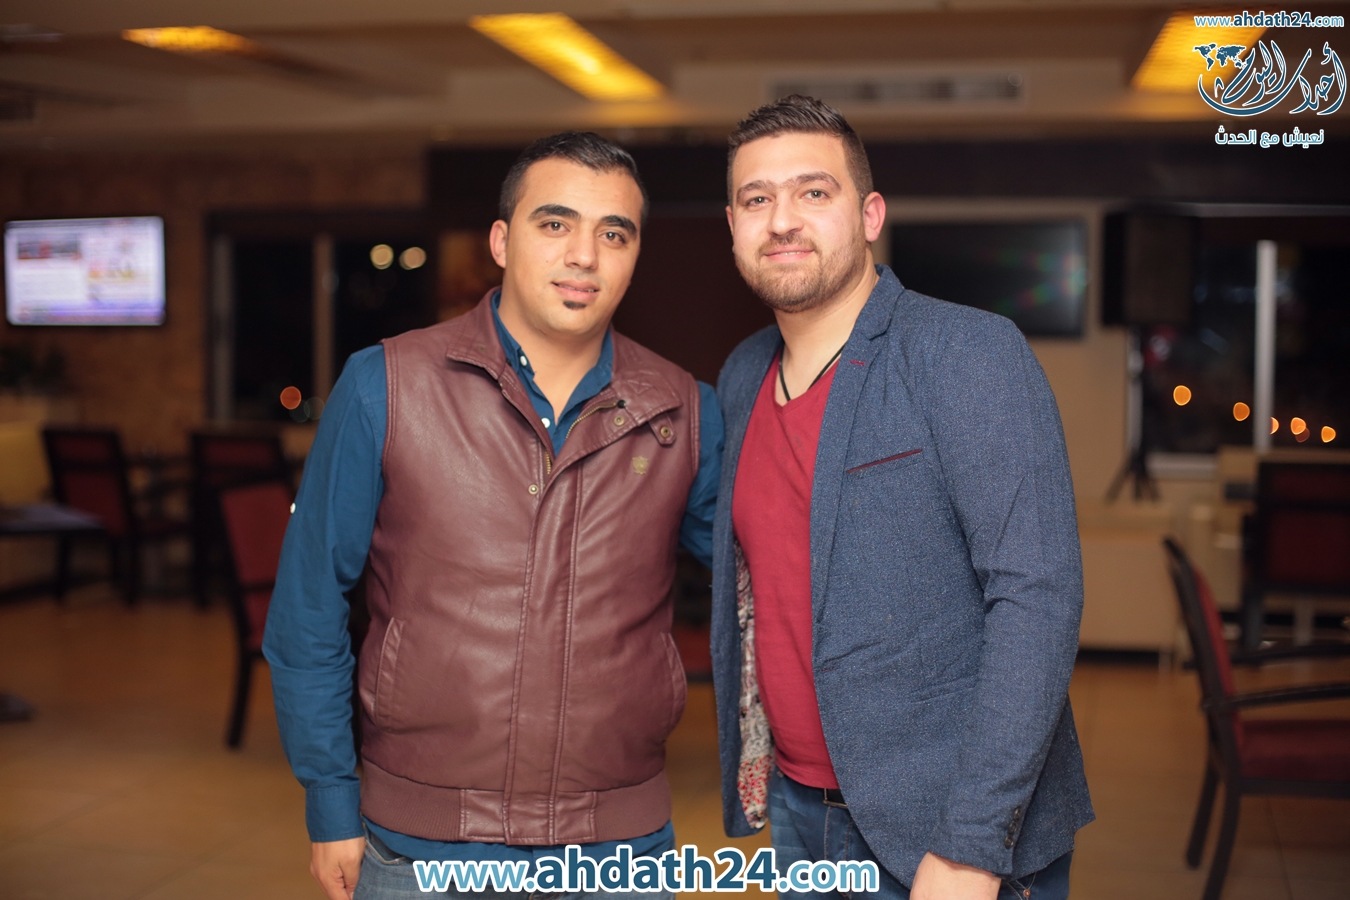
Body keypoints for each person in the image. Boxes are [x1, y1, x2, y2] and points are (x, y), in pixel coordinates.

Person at [264, 131, 723, 900]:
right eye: (556, 223)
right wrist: (329, 797)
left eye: (614, 234)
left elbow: (765, 586)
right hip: (421, 848)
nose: (585, 255)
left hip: (621, 849)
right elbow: (307, 605)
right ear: (502, 241)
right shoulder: (386, 385)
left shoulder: (686, 410)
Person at [709, 95, 1093, 900]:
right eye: (757, 199)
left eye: (814, 192)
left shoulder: (966, 352)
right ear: (734, 226)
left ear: (870, 214)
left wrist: (971, 846)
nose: (783, 220)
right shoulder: (742, 374)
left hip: (947, 831)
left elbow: (1037, 597)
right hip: (798, 810)